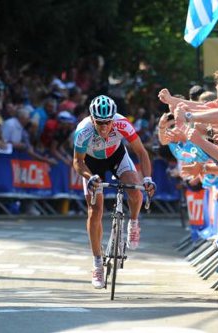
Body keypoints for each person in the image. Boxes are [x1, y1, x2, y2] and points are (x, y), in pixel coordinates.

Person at [72, 95, 156, 289]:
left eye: (107, 122)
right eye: (99, 122)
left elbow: (141, 152)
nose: (103, 127)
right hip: (91, 164)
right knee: (95, 211)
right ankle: (97, 264)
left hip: (116, 156)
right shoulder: (83, 131)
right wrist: (90, 177)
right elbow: (78, 162)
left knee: (134, 189)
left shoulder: (122, 124)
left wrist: (148, 179)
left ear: (113, 119)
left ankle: (134, 222)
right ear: (92, 118)